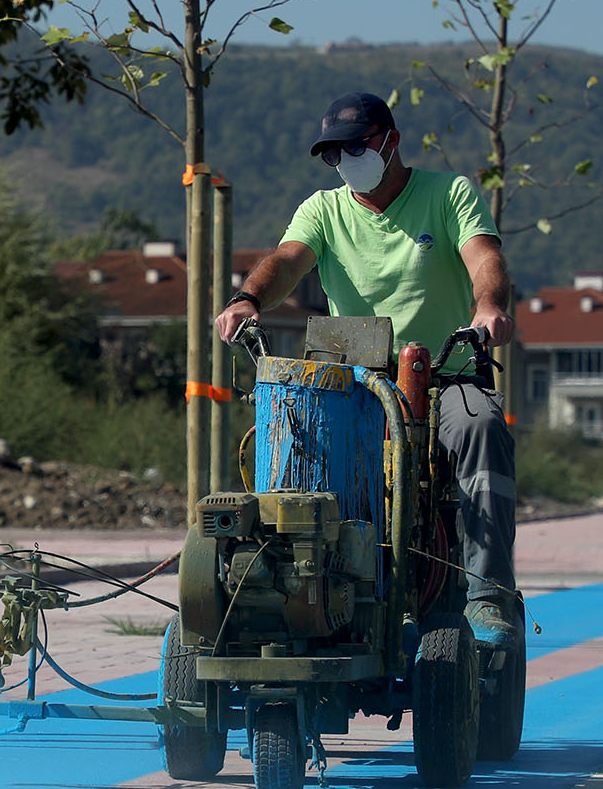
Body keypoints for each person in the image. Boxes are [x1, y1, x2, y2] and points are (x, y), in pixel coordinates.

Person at [213, 91, 520, 651]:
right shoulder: (324, 210)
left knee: (481, 429)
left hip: (445, 375)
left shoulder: (448, 195)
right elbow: (286, 261)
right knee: (292, 439)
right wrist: (248, 298)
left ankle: (488, 591)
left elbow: (484, 258)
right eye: (335, 153)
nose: (347, 159)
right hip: (355, 384)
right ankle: (293, 582)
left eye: (357, 145)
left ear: (390, 140)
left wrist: (489, 307)